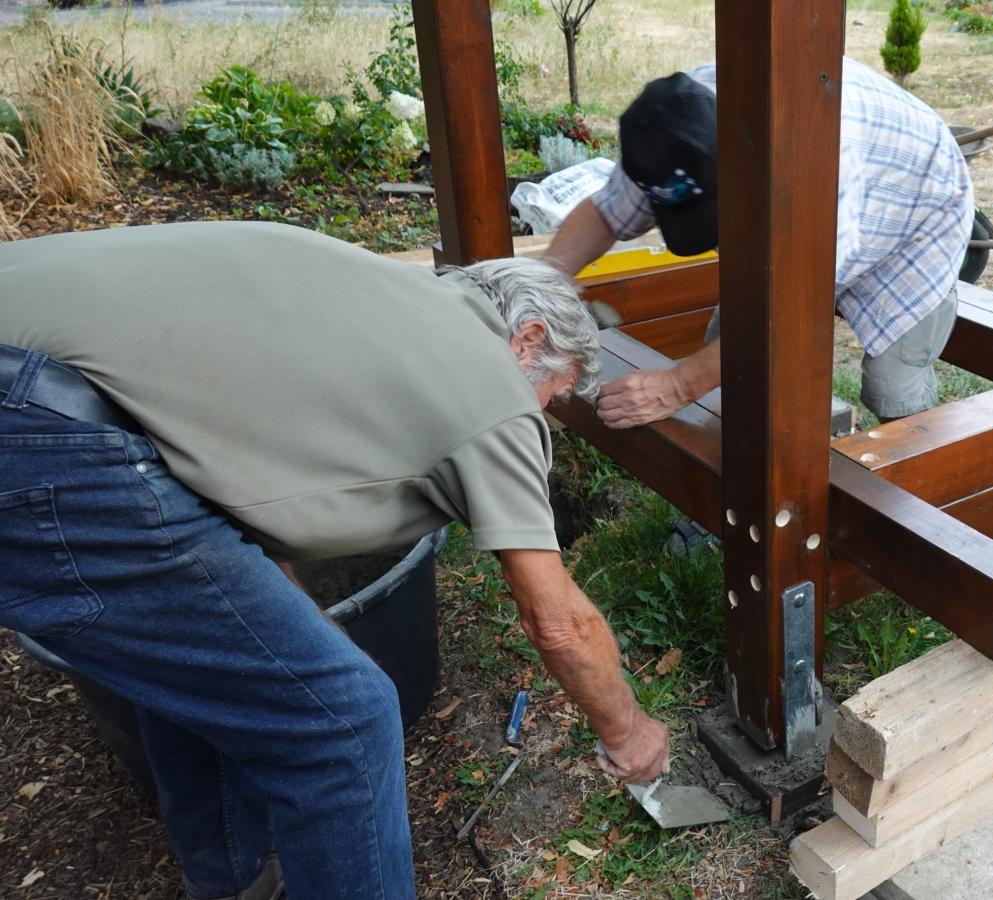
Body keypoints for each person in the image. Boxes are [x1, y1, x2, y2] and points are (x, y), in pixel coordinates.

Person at [0, 221, 671, 900]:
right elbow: (558, 622)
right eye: (554, 395)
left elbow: (225, 455)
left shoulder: (378, 295)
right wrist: (631, 732)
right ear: (528, 341)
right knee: (344, 720)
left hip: (39, 369)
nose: (544, 414)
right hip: (39, 422)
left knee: (209, 661)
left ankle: (235, 881)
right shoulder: (490, 381)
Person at [544, 57, 975, 428]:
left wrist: (680, 384)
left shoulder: (808, 157)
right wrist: (547, 277)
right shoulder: (670, 134)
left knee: (891, 386)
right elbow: (607, 211)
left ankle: (920, 495)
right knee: (731, 352)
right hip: (832, 200)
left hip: (917, 213)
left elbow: (792, 311)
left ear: (737, 166)